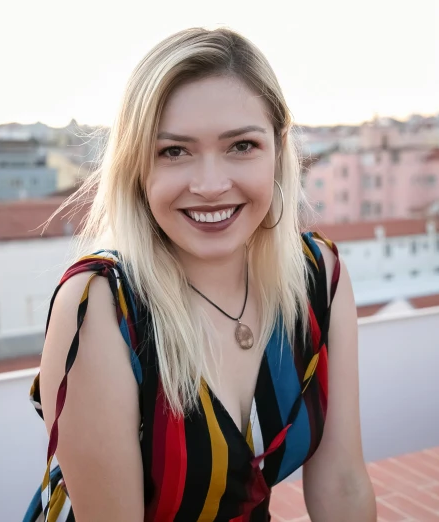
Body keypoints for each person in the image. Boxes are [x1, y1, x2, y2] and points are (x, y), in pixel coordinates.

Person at [24, 26, 376, 522]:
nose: (211, 185)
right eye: (174, 151)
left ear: (277, 150)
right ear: (136, 168)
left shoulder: (319, 277)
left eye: (241, 146)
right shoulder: (101, 307)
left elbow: (341, 481)